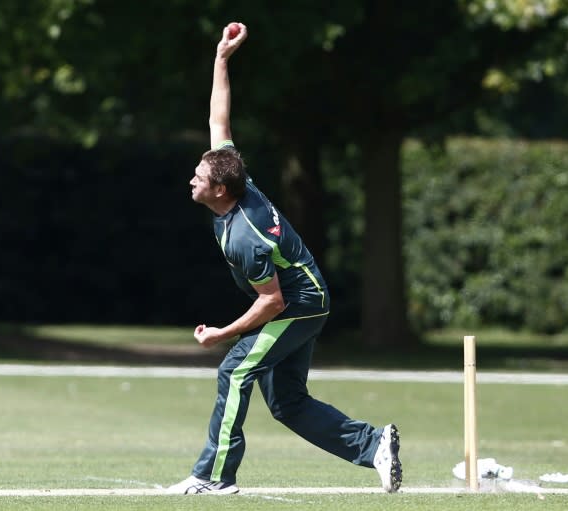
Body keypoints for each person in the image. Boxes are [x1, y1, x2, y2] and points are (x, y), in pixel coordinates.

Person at [166, 22, 402, 495]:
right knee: (288, 403)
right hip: (306, 296)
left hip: (299, 304)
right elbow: (220, 121)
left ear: (221, 189)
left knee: (234, 369)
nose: (192, 178)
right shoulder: (237, 182)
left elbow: (271, 302)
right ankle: (374, 444)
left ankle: (214, 476)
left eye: (199, 176)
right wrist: (221, 59)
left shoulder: (245, 238)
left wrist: (223, 334)